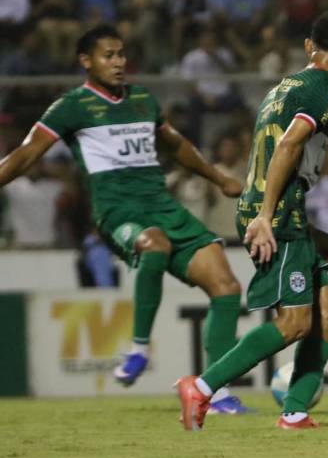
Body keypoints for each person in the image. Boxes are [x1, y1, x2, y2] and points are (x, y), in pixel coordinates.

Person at [0, 26, 249, 413]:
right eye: (108, 55)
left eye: (121, 55)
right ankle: (139, 350)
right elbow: (26, 154)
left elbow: (176, 145)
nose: (118, 63)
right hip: (119, 212)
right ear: (86, 61)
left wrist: (219, 177)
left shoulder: (142, 99)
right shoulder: (72, 107)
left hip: (162, 207)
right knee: (155, 245)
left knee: (227, 286)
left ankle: (214, 393)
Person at [174, 12, 328, 431]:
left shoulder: (284, 87)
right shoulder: (324, 88)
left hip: (283, 209)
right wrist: (266, 214)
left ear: (310, 46)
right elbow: (291, 144)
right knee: (296, 323)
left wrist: (301, 224)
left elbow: (272, 151)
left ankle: (294, 411)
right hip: (274, 214)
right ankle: (202, 388)